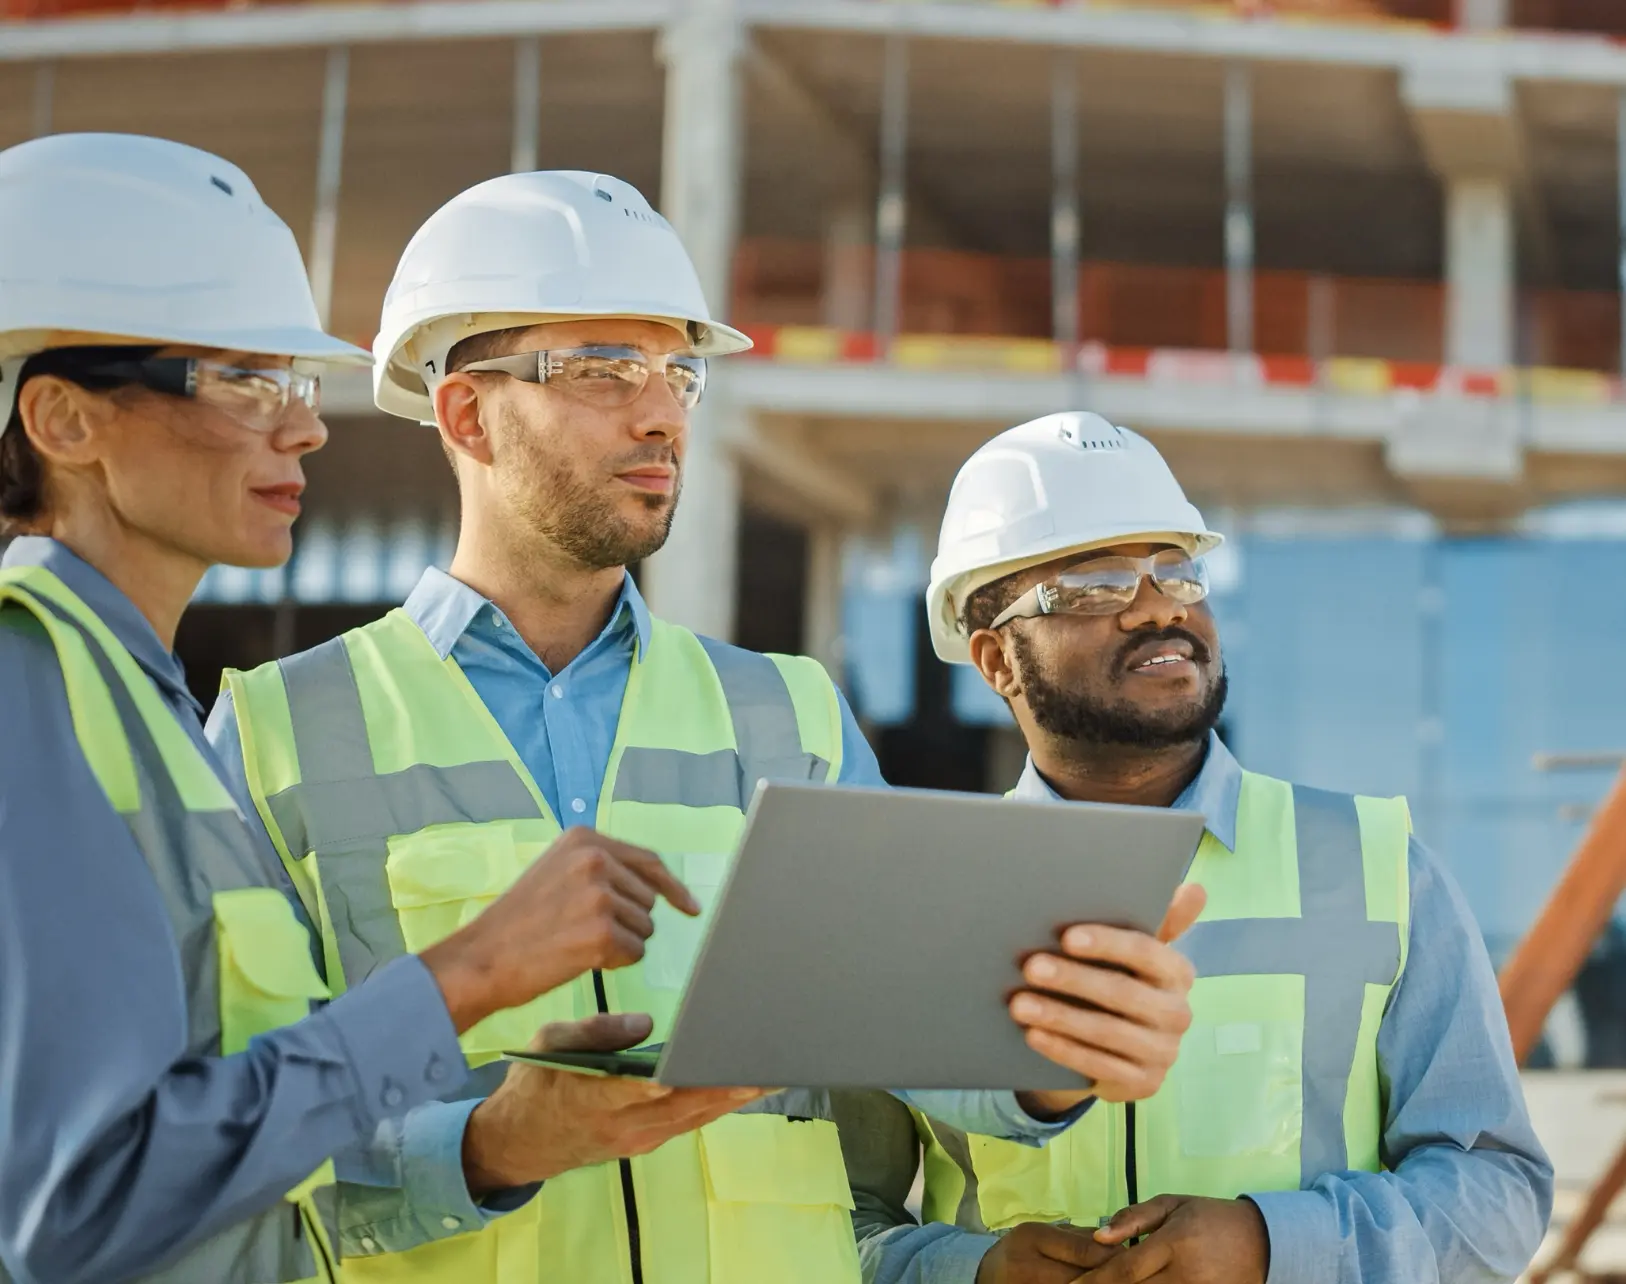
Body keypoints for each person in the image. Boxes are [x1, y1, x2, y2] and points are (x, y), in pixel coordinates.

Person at [208, 171, 1204, 1284]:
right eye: (601, 371)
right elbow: (222, 1148)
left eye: (679, 372)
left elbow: (908, 1047)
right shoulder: (279, 734)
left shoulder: (793, 715)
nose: (662, 413)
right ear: (466, 412)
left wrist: (1048, 1057)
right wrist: (485, 1146)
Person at [0, 134, 723, 1284]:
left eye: (297, 386)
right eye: (244, 382)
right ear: (64, 421)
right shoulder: (33, 680)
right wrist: (467, 977)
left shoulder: (139, 700)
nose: (304, 428)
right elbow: (74, 1206)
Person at [837, 411, 1555, 1284]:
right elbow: (836, 1218)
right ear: (996, 660)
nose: (1157, 609)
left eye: (1175, 572)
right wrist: (968, 1269)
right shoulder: (917, 904)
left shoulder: (1376, 867)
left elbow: (1497, 1188)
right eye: (1095, 585)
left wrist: (1270, 1246)